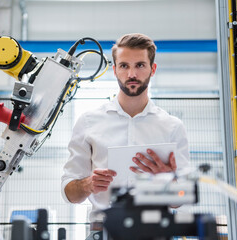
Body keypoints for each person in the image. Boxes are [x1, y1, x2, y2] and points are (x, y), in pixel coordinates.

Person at [61, 33, 190, 234]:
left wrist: (169, 182)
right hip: (103, 232)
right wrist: (88, 185)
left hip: (155, 232)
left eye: (140, 65)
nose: (132, 74)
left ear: (152, 69)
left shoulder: (172, 127)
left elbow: (180, 200)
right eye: (124, 66)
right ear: (114, 70)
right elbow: (69, 193)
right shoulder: (88, 122)